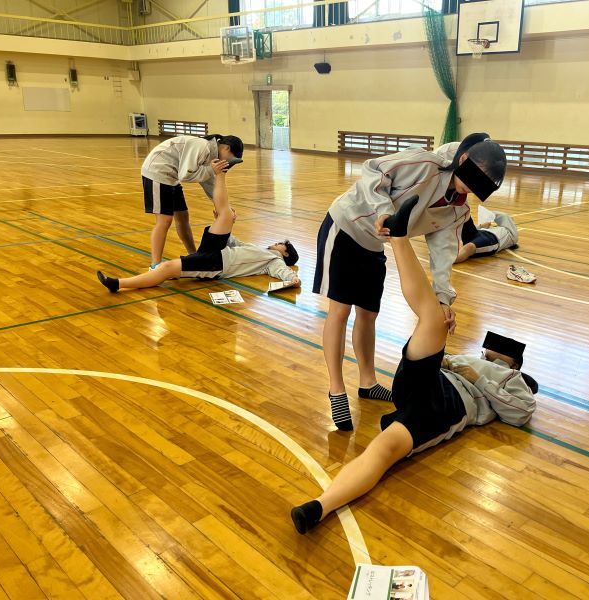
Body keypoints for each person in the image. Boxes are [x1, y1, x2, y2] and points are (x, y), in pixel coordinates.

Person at [291, 198, 537, 535]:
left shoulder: (514, 379)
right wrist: (449, 356)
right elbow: (446, 360)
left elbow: (519, 412)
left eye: (499, 352)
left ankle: (319, 506)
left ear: (515, 364)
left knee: (381, 452)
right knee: (434, 320)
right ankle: (399, 236)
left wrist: (478, 377)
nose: (490, 351)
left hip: (445, 408)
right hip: (427, 380)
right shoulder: (471, 359)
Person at [314, 133, 508, 431]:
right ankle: (336, 389)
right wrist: (384, 210)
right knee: (339, 312)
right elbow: (374, 169)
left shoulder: (458, 209)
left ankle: (368, 382)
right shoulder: (424, 164)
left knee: (368, 314)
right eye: (476, 177)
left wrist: (442, 299)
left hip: (374, 245)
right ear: (464, 160)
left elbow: (443, 254)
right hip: (345, 227)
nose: (473, 189)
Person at [97, 159, 299, 293]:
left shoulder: (274, 261)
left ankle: (119, 284)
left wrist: (293, 279)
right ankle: (221, 174)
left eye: (281, 244)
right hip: (217, 251)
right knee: (226, 215)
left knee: (166, 267)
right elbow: (234, 242)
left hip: (216, 264)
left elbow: (283, 272)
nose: (276, 243)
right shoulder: (258, 250)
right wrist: (223, 223)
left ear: (285, 253)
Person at [142, 133, 244, 269]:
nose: (228, 164)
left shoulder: (212, 155)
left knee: (183, 218)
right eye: (230, 159)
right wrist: (211, 170)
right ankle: (155, 265)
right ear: (226, 148)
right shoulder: (203, 146)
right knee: (164, 220)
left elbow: (209, 183)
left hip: (171, 177)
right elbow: (185, 175)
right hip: (157, 172)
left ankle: (193, 256)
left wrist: (225, 208)